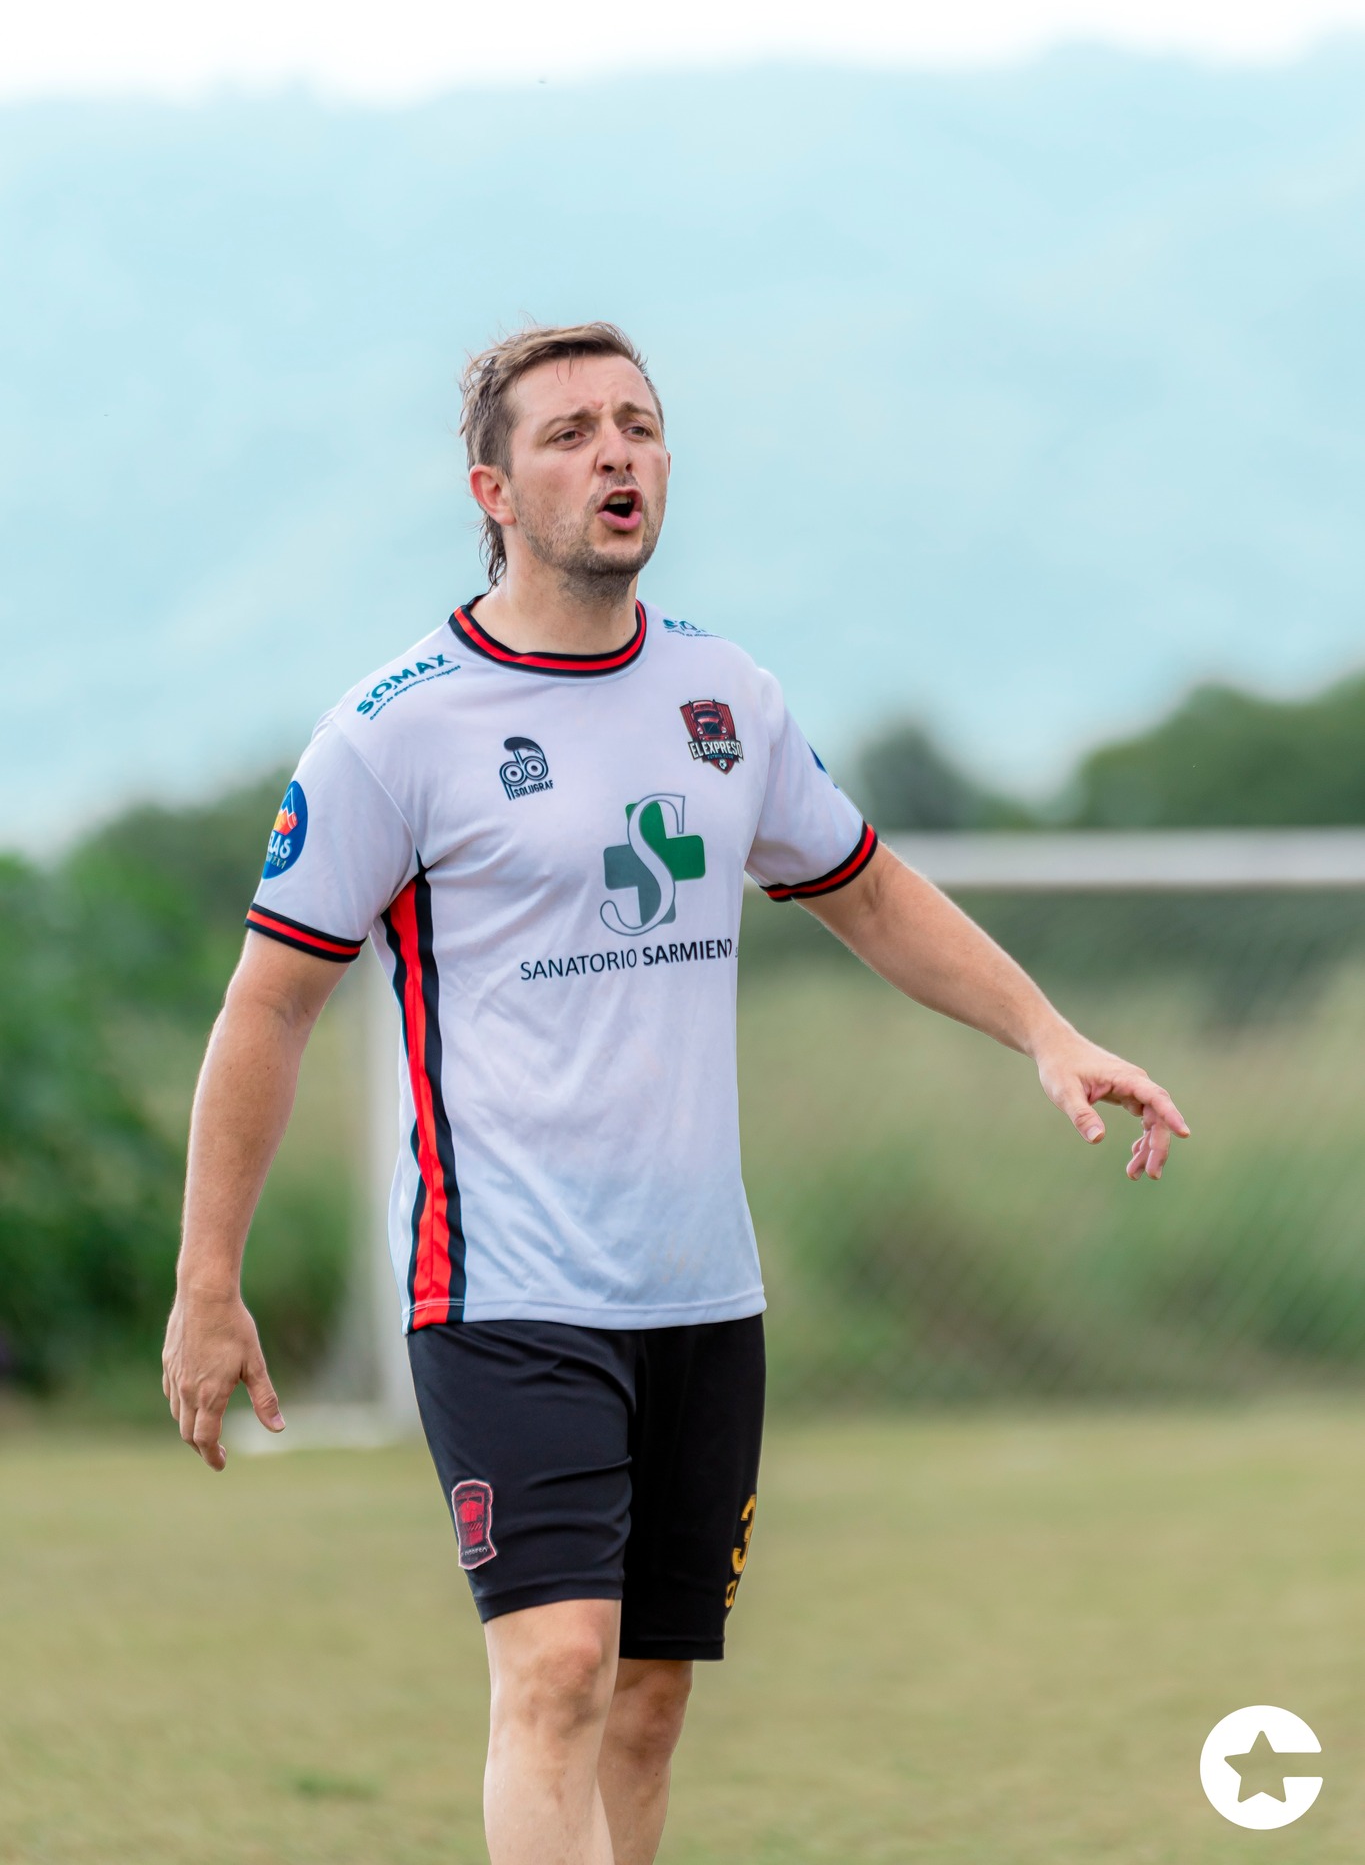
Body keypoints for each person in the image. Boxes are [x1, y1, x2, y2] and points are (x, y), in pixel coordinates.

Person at [162, 321, 1189, 1865]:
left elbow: (866, 891)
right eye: (569, 432)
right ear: (492, 490)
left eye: (637, 424)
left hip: (700, 1284)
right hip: (499, 1278)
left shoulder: (724, 696)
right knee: (557, 1671)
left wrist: (1046, 1033)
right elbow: (270, 1005)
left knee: (645, 1701)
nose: (617, 453)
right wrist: (207, 1282)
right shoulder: (393, 731)